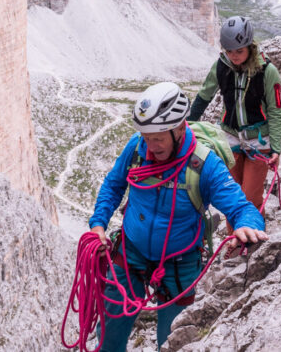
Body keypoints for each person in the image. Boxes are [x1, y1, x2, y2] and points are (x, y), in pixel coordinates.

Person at [89, 82, 267, 352]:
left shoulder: (204, 165)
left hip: (180, 264)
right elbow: (113, 185)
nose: (151, 145)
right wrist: (98, 224)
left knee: (172, 343)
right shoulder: (136, 150)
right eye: (146, 136)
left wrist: (247, 226)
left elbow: (241, 208)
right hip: (130, 253)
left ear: (180, 128)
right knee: (107, 339)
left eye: (158, 137)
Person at [187, 16, 281, 236]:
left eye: (238, 51)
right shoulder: (221, 66)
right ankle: (234, 240)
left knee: (250, 196)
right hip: (229, 139)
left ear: (249, 46)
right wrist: (188, 126)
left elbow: (276, 111)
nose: (233, 56)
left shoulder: (267, 71)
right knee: (231, 197)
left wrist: (276, 148)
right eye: (229, 51)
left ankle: (252, 241)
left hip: (258, 141)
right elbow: (204, 96)